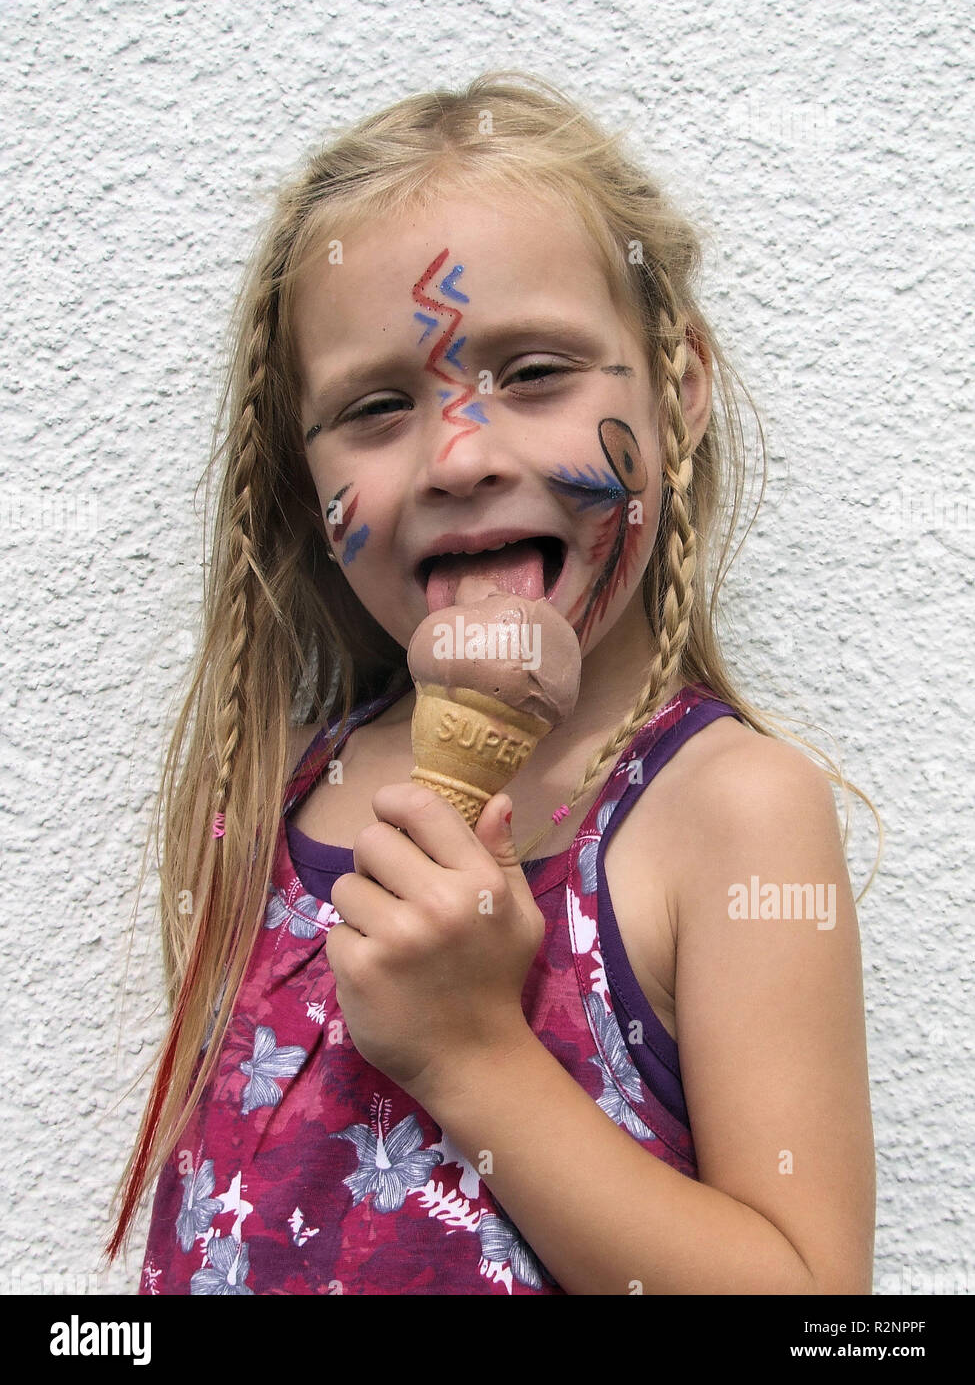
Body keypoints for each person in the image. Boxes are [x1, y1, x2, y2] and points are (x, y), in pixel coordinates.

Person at [105, 70, 878, 1295]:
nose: (460, 455)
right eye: (373, 406)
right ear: (304, 474)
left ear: (677, 394)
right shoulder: (276, 782)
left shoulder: (733, 812)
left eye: (534, 373)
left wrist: (471, 1052)